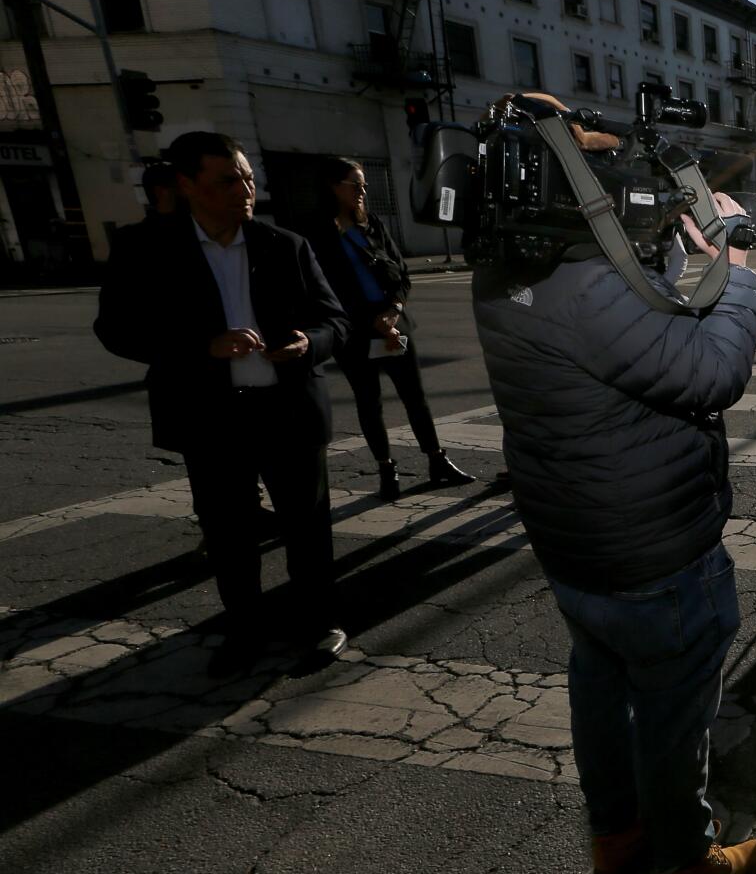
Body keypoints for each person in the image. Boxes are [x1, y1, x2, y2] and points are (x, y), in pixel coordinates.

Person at [472, 101, 756, 874]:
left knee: (598, 683)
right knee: (673, 709)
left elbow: (640, 332)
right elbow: (704, 377)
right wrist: (734, 267)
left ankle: (616, 830)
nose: (620, 182)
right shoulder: (585, 283)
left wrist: (742, 318)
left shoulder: (510, 266)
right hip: (652, 544)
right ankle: (684, 860)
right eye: (599, 165)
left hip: (574, 539)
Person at [94, 132, 350, 673]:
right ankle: (245, 631)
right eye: (228, 181)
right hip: (209, 415)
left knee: (306, 528)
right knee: (230, 535)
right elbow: (116, 329)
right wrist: (200, 347)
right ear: (187, 186)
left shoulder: (285, 245)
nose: (245, 191)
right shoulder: (145, 248)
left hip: (289, 412)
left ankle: (317, 624)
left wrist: (309, 343)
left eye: (248, 178)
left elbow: (335, 321)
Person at [307, 156, 474, 500]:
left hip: (393, 325)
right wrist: (370, 320)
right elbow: (324, 288)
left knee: (416, 398)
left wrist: (393, 311)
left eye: (364, 184)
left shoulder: (372, 224)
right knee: (369, 402)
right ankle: (387, 469)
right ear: (333, 187)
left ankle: (437, 460)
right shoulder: (317, 234)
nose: (362, 191)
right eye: (355, 185)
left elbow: (401, 273)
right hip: (354, 332)